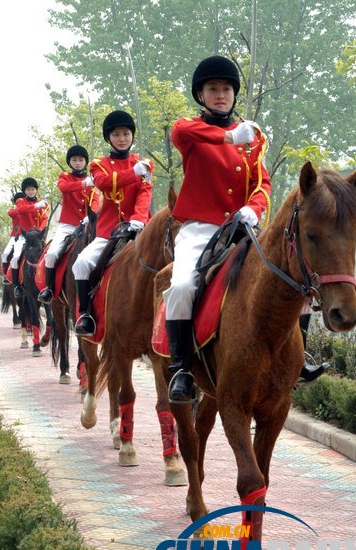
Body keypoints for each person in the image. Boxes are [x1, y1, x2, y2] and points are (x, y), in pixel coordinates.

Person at [164, 55, 272, 403]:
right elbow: (179, 130)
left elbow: (263, 184)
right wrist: (228, 138)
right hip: (199, 229)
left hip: (240, 227)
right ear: (201, 95)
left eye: (226, 88)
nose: (221, 94)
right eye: (213, 89)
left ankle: (296, 360)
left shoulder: (253, 139)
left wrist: (253, 210)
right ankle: (181, 367)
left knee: (285, 272)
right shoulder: (190, 131)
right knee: (181, 285)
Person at [72, 110, 153, 337]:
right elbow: (105, 184)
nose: (122, 138)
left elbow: (145, 193)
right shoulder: (99, 165)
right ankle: (85, 314)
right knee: (81, 263)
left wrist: (138, 219)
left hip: (139, 228)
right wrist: (132, 172)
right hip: (108, 232)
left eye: (126, 133)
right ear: (109, 138)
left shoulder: (144, 164)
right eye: (116, 134)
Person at [38, 145, 100, 304]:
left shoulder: (92, 181)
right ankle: (49, 289)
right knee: (51, 254)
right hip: (67, 226)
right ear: (70, 162)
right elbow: (63, 188)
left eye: (81, 160)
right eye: (74, 160)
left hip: (87, 224)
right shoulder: (65, 176)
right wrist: (83, 184)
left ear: (85, 162)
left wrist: (91, 214)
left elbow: (94, 200)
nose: (78, 162)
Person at [9, 177, 49, 298]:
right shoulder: (21, 201)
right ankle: (17, 285)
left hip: (37, 236)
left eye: (32, 189)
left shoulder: (43, 204)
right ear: (24, 191)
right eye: (28, 190)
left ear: (35, 190)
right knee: (15, 257)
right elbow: (21, 210)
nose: (30, 192)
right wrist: (36, 206)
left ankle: (49, 285)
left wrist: (39, 231)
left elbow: (45, 219)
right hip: (24, 236)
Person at [2, 191, 24, 284]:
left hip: (28, 235)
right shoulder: (13, 211)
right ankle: (6, 275)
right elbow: (12, 212)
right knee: (5, 254)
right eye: (17, 201)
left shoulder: (28, 209)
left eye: (21, 200)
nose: (19, 202)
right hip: (15, 236)